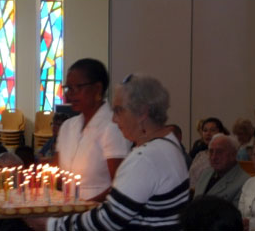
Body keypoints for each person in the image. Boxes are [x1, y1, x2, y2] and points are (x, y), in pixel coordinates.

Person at [25, 74, 189, 230]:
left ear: (142, 112)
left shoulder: (145, 158)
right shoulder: (170, 144)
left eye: (118, 110)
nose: (114, 119)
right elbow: (126, 208)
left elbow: (108, 222)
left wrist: (50, 225)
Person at [56, 58, 131, 202]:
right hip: (67, 209)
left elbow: (119, 185)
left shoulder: (113, 126)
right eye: (68, 88)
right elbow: (56, 175)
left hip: (98, 213)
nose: (70, 94)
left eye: (77, 87)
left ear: (97, 88)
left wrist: (85, 209)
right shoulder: (67, 127)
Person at [194, 134, 250, 207]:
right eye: (211, 151)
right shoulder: (205, 173)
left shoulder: (245, 182)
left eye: (219, 152)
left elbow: (235, 215)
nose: (214, 157)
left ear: (233, 155)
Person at [189, 117, 229, 189]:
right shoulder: (200, 154)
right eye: (205, 130)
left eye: (212, 130)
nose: (208, 133)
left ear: (221, 133)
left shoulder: (226, 156)